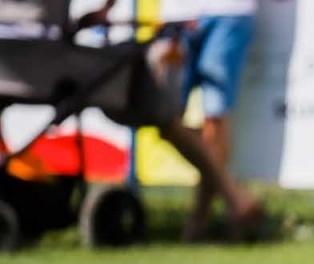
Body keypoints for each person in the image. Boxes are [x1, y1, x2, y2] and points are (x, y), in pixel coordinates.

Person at [71, 0, 263, 235]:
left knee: (215, 117)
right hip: (176, 18)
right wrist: (106, 9)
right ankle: (234, 198)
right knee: (164, 117)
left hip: (229, 12)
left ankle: (200, 220)